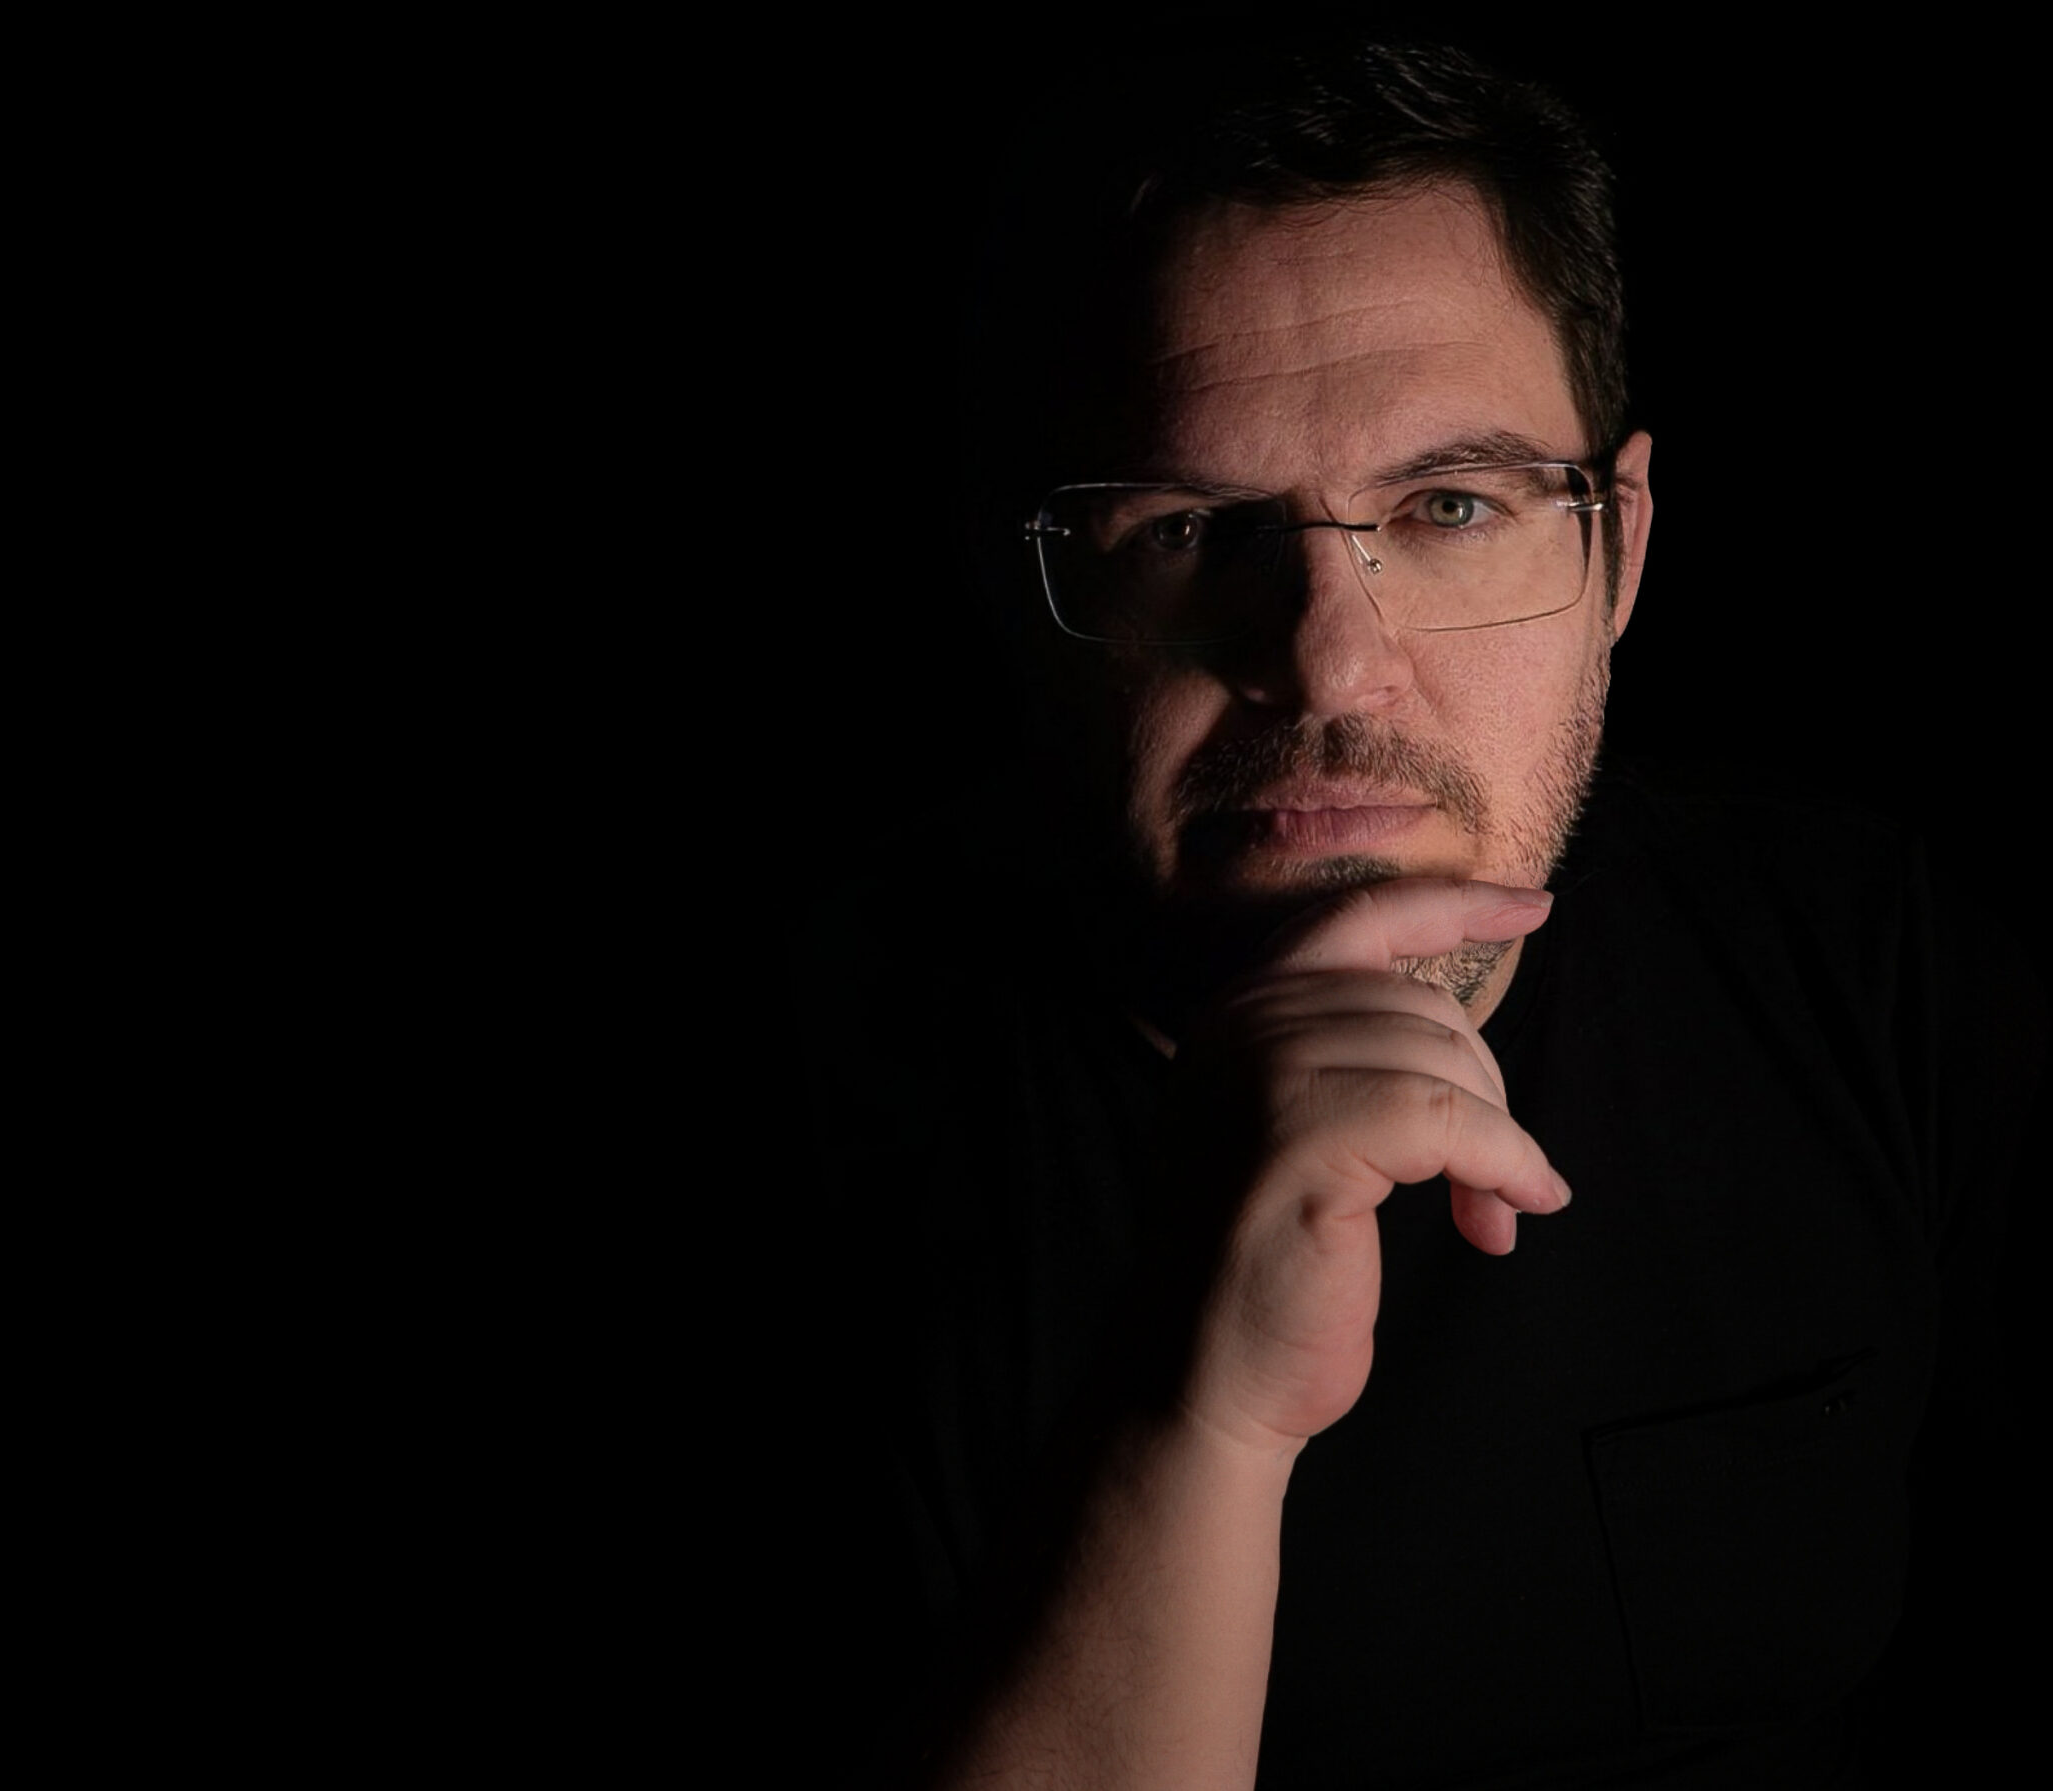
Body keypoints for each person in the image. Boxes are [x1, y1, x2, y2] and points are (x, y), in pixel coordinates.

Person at [775, 40, 2032, 1790]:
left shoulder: (1867, 969)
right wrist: (1198, 1416)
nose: (1328, 665)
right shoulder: (815, 1106)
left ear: (1619, 553)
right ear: (1033, 587)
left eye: (1450, 508)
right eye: (1189, 529)